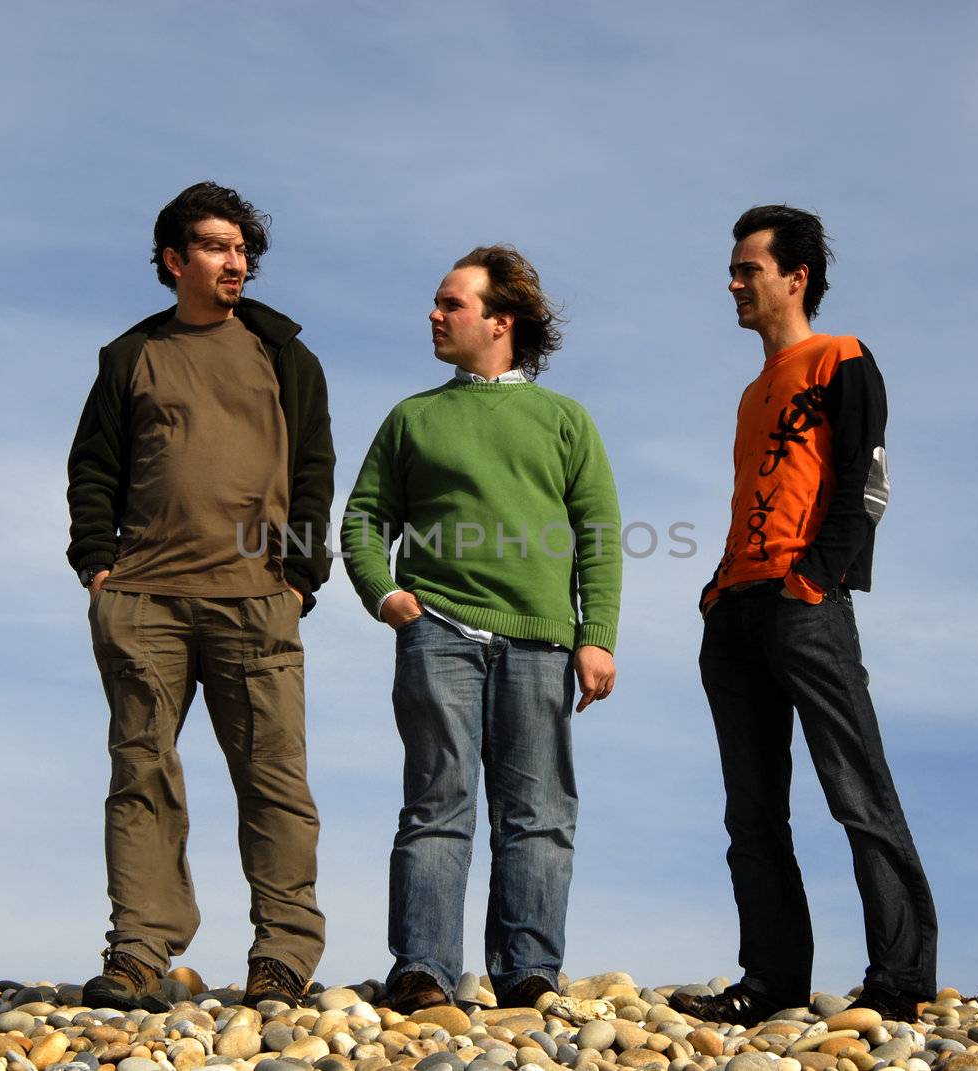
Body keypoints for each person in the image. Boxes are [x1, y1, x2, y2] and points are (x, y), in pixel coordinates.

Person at [66, 181, 334, 1011]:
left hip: (255, 600)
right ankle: (139, 949)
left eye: (243, 248)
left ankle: (283, 954)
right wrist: (99, 566)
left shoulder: (284, 356)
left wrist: (295, 578)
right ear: (175, 260)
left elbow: (315, 472)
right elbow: (93, 470)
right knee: (141, 773)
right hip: (145, 598)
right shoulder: (130, 356)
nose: (236, 261)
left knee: (274, 778)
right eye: (217, 247)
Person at [671, 205, 937, 1026]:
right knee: (751, 809)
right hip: (737, 611)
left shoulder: (842, 358)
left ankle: (899, 979)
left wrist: (818, 580)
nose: (733, 282)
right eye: (735, 267)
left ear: (797, 277)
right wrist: (718, 588)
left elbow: (867, 482)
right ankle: (772, 980)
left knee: (858, 791)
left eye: (747, 268)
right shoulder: (755, 389)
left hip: (805, 607)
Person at [341, 246, 621, 1012]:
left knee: (539, 813)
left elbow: (597, 530)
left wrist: (596, 633)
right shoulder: (413, 418)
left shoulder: (565, 420)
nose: (434, 314)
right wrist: (387, 596)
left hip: (540, 642)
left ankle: (529, 970)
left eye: (451, 303)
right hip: (438, 633)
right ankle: (423, 968)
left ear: (501, 321)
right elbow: (364, 519)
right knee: (438, 801)